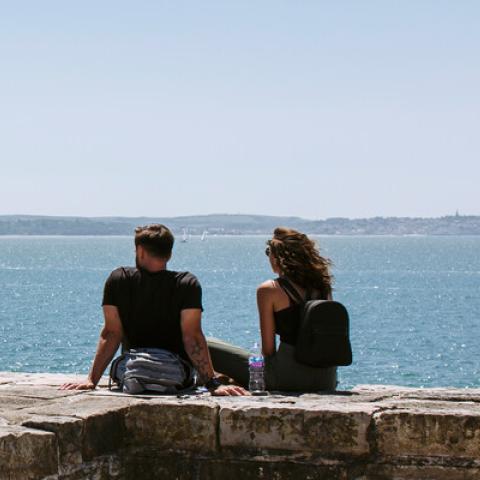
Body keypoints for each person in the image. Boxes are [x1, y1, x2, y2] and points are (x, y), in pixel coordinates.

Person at [61, 224, 247, 396]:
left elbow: (111, 333)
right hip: (177, 376)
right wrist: (212, 384)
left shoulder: (118, 279)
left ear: (140, 251)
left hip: (134, 374)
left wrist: (91, 380)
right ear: (169, 254)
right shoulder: (187, 283)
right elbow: (192, 337)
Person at [207, 227, 337, 392]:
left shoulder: (269, 289)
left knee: (205, 343)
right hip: (327, 380)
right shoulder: (323, 287)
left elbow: (268, 350)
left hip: (286, 379)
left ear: (278, 257)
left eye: (268, 252)